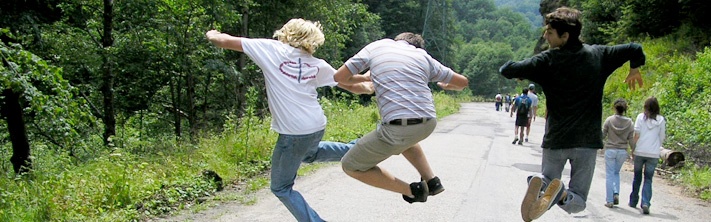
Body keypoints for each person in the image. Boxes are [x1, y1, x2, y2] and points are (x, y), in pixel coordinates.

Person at [205, 18, 374, 222]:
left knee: (281, 187)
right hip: (316, 125)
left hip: (294, 133)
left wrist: (212, 33)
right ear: (313, 41)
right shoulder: (317, 64)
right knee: (309, 154)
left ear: (286, 32)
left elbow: (224, 41)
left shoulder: (269, 49)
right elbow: (348, 83)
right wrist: (367, 82)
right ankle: (360, 149)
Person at [498, 7, 645, 221]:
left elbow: (507, 69)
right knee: (578, 200)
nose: (545, 36)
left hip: (556, 140)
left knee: (546, 183)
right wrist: (634, 68)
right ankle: (563, 194)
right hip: (587, 142)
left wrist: (520, 73)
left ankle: (540, 181)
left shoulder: (546, 60)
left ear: (565, 36)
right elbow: (635, 48)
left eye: (549, 32)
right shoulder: (599, 55)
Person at [333, 32, 469, 204]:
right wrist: (448, 86)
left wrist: (366, 76)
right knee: (407, 141)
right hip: (428, 122)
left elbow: (339, 77)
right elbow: (463, 82)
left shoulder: (377, 47)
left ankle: (413, 191)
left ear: (398, 41)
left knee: (350, 166)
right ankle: (432, 181)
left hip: (398, 127)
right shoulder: (423, 57)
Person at [629, 96, 666, 215]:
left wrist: (633, 149)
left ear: (645, 106)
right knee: (648, 179)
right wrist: (657, 147)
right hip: (653, 153)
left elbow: (636, 134)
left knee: (637, 177)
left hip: (640, 151)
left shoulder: (640, 117)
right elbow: (661, 137)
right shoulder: (661, 120)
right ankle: (645, 202)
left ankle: (633, 200)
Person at [602, 98, 635, 208]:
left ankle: (609, 200)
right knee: (616, 173)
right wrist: (634, 151)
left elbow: (602, 135)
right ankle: (616, 192)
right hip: (622, 151)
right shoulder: (629, 122)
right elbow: (631, 139)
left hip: (610, 150)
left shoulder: (609, 120)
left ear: (614, 108)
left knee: (609, 174)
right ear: (625, 109)